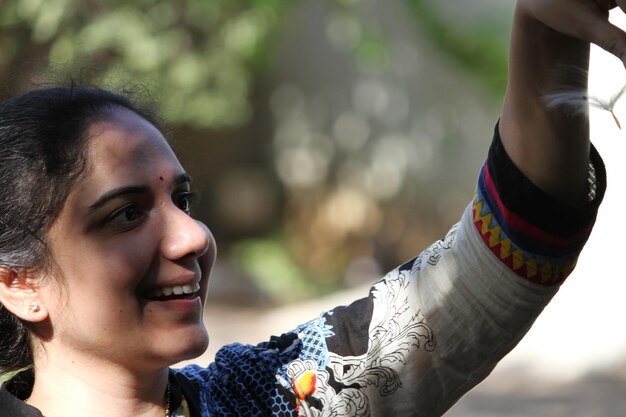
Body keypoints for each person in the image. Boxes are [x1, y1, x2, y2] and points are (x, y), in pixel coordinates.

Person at [0, 0, 622, 416]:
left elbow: (498, 265)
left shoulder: (272, 398)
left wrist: (547, 37)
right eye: (126, 215)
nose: (192, 236)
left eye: (182, 200)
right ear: (17, 282)